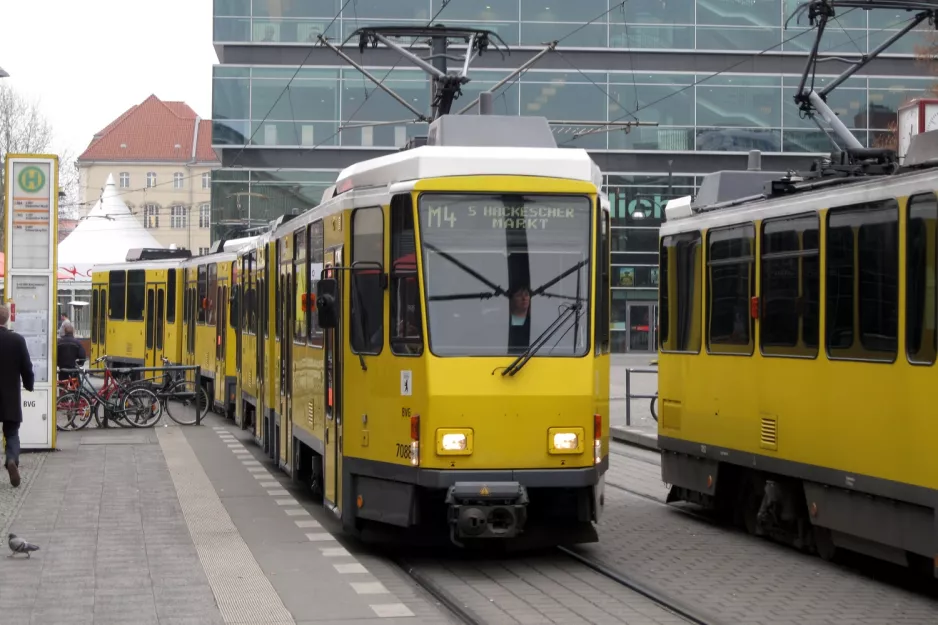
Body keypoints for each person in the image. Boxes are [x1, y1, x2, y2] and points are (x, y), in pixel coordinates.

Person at [0, 303, 34, 488]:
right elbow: (26, 368)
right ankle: (11, 459)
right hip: (10, 397)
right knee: (12, 433)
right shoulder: (17, 340)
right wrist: (29, 385)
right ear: (7, 319)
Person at [507, 285, 531, 353]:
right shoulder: (500, 323)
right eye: (519, 295)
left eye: (526, 295)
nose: (524, 298)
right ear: (511, 300)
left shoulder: (536, 323)